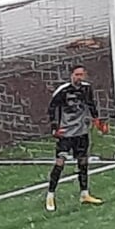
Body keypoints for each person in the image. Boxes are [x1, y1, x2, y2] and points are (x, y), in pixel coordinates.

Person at [46, 65, 107, 211]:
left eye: (82, 75)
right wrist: (54, 127)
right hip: (66, 133)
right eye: (77, 75)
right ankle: (50, 195)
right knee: (60, 163)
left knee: (83, 162)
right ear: (71, 75)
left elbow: (91, 105)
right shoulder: (63, 91)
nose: (79, 77)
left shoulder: (87, 89)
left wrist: (97, 121)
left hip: (81, 132)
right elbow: (52, 108)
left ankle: (84, 194)